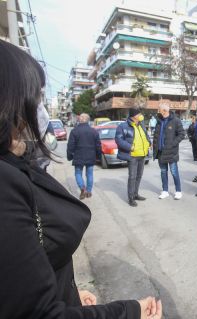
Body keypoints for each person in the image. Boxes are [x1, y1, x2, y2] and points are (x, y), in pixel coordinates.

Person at [0, 39, 162, 319]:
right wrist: (130, 312)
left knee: (85, 176)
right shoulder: (6, 184)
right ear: (12, 102)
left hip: (107, 160)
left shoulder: (16, 166)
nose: (40, 108)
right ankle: (96, 189)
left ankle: (88, 188)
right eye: (36, 96)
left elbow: (32, 273)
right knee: (84, 175)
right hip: (91, 160)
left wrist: (69, 294)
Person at [115, 108, 150, 207]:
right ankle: (131, 198)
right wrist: (130, 147)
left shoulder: (141, 124)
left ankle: (135, 194)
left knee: (139, 176)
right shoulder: (123, 126)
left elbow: (146, 136)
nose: (141, 115)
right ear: (134, 116)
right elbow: (118, 139)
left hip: (142, 155)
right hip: (133, 155)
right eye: (139, 113)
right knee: (132, 177)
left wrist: (149, 143)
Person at [153, 104, 185, 200]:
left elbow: (182, 134)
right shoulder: (159, 121)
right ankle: (165, 191)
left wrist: (172, 143)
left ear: (164, 111)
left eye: (159, 110)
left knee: (174, 172)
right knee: (163, 172)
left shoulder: (175, 120)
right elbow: (156, 134)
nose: (158, 112)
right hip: (160, 152)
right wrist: (154, 145)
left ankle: (178, 191)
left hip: (171, 151)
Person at [67, 113, 101, 199]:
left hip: (78, 156)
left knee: (78, 173)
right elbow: (98, 145)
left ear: (79, 120)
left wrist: (69, 156)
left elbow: (70, 145)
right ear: (88, 120)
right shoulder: (94, 131)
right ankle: (88, 191)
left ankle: (82, 188)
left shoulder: (74, 131)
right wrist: (98, 156)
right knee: (89, 174)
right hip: (91, 156)